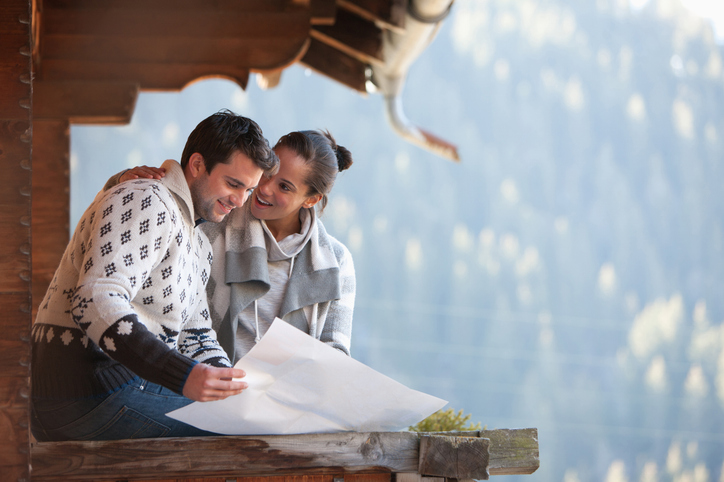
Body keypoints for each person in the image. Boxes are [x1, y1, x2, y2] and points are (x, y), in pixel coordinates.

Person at [30, 110, 279, 441]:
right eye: (233, 183)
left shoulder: (198, 244)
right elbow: (94, 299)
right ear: (197, 165)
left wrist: (235, 389)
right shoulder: (146, 198)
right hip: (80, 393)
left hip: (114, 389)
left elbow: (197, 336)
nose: (239, 200)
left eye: (248, 190)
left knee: (249, 415)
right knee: (250, 437)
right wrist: (183, 375)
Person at [118, 130, 355, 364]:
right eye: (268, 173)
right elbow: (171, 199)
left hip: (286, 397)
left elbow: (335, 353)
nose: (265, 188)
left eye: (284, 187)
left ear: (311, 199)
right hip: (201, 380)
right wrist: (123, 180)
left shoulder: (336, 261)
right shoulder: (218, 214)